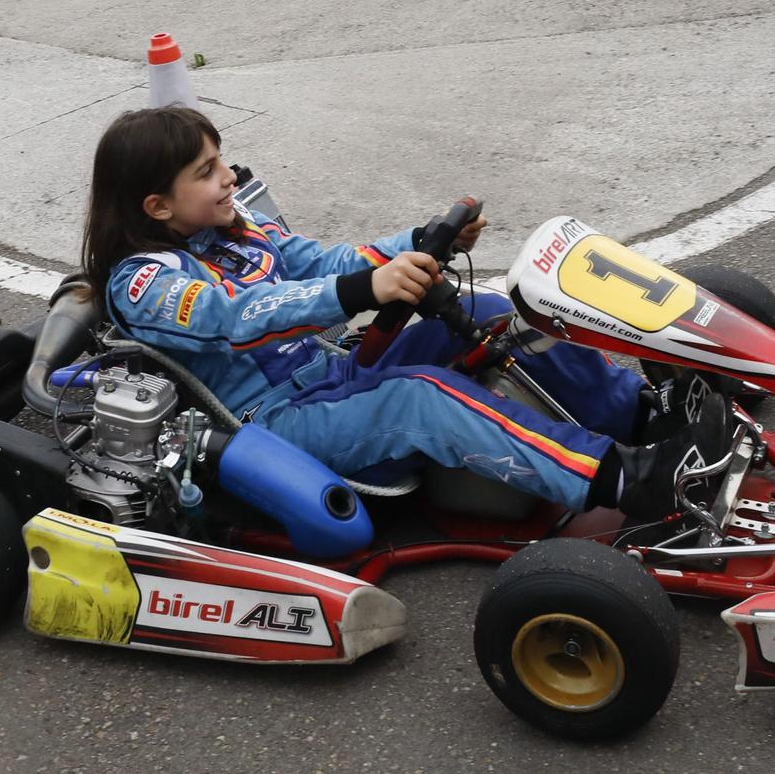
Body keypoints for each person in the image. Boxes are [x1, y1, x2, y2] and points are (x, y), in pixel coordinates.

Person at [82, 106, 732, 518]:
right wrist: (368, 290)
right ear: (156, 206)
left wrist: (416, 244)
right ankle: (623, 480)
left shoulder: (236, 230)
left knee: (486, 311)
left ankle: (638, 416)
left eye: (221, 159)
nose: (227, 176)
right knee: (420, 395)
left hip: (334, 375)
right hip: (274, 425)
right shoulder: (143, 282)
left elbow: (319, 260)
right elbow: (245, 315)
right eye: (205, 170)